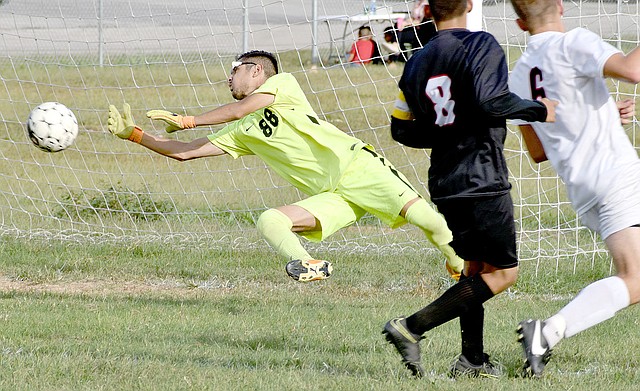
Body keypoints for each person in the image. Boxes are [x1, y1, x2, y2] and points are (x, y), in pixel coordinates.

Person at [107, 50, 464, 283]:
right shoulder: (241, 132)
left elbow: (238, 109)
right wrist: (136, 136)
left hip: (360, 169)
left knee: (430, 222)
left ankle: (461, 267)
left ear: (256, 70)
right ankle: (307, 264)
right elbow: (185, 153)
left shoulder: (283, 85)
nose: (228, 80)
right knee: (270, 219)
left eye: (233, 72)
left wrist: (189, 118)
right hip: (331, 195)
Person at [381, 0, 557, 378]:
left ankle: (471, 361)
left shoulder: (416, 59)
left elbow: (400, 128)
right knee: (504, 274)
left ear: (429, 9)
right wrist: (540, 110)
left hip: (445, 180)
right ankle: (411, 326)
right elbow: (492, 101)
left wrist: (444, 135)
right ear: (471, 4)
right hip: (482, 177)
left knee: (474, 270)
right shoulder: (481, 43)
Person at [509, 0, 640, 378]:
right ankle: (548, 331)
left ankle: (547, 332)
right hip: (616, 176)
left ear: (519, 23)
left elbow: (537, 151)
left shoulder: (518, 74)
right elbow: (632, 71)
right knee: (634, 277)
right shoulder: (575, 42)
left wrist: (603, 116)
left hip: (583, 190)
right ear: (562, 7)